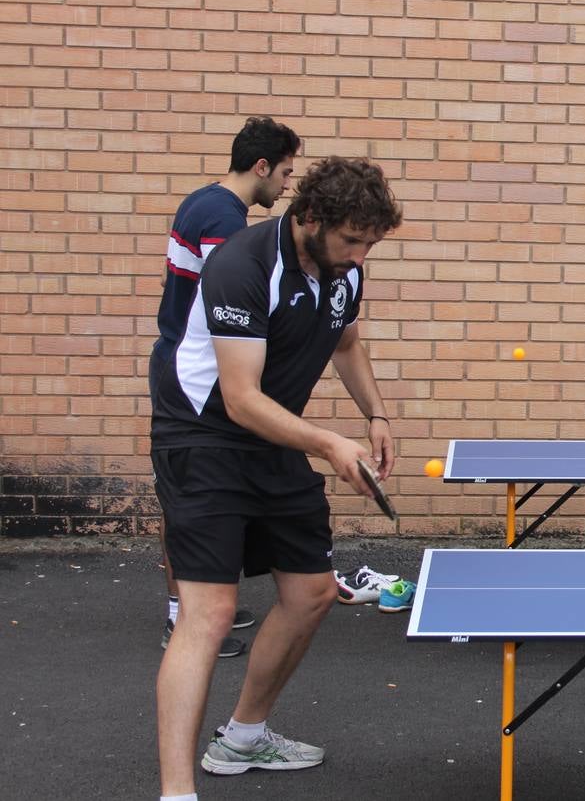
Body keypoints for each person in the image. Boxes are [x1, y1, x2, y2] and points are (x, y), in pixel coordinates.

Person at [150, 156, 403, 800]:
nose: (359, 254)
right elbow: (239, 398)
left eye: (370, 243)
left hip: (273, 436)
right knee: (210, 612)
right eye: (352, 239)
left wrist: (373, 414)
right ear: (311, 217)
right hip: (204, 437)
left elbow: (345, 343)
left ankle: (242, 739)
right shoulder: (242, 265)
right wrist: (326, 444)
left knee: (312, 594)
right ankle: (175, 793)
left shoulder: (344, 270)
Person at [150, 116, 301, 658]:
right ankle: (184, 616)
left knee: (185, 500)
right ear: (260, 166)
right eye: (284, 173)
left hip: (176, 358)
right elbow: (232, 307)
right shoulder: (224, 220)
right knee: (191, 501)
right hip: (193, 375)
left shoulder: (203, 199)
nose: (286, 185)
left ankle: (197, 603)